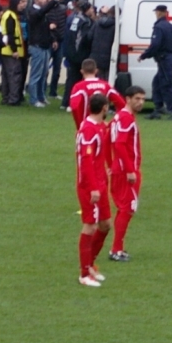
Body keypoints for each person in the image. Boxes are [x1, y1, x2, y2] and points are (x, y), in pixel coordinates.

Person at [75, 92, 112, 286]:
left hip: (100, 184)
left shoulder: (98, 127)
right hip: (90, 186)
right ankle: (84, 274)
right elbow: (86, 161)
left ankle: (90, 265)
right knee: (90, 226)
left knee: (105, 225)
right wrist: (92, 188)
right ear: (104, 108)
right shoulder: (88, 130)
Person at [109, 85, 146, 261]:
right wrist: (130, 170)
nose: (141, 102)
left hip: (120, 168)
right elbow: (119, 144)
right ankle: (116, 250)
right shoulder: (126, 118)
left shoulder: (119, 117)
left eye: (143, 99)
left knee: (123, 209)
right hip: (126, 171)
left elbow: (108, 139)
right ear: (128, 99)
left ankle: (117, 248)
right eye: (137, 99)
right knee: (127, 209)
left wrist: (110, 164)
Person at [138, 4, 172, 120]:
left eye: (156, 12)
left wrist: (144, 55)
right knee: (157, 82)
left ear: (159, 13)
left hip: (164, 59)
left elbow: (155, 45)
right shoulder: (171, 27)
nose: (156, 14)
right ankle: (158, 109)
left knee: (166, 85)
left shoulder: (159, 27)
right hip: (169, 58)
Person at [28, 0, 68, 107]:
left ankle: (41, 97)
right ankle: (34, 99)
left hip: (45, 46)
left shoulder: (42, 13)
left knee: (43, 74)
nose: (44, 0)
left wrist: (52, 39)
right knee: (36, 75)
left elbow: (45, 29)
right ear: (36, 1)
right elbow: (43, 11)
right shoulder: (33, 12)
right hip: (37, 47)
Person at [70, 58, 125, 128]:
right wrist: (112, 123)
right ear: (96, 71)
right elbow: (122, 104)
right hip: (101, 127)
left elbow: (74, 107)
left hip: (86, 126)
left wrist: (79, 125)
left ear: (82, 71)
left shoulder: (78, 87)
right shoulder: (105, 85)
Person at [61, 0, 95, 110]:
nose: (92, 10)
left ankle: (66, 102)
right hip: (79, 54)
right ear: (86, 9)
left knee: (71, 79)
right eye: (91, 8)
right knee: (77, 80)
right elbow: (85, 39)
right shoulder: (85, 21)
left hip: (71, 53)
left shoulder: (74, 18)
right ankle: (73, 103)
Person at [0, 0, 26, 105]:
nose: (21, 5)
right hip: (11, 51)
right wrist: (14, 50)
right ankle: (13, 99)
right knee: (14, 75)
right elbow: (10, 34)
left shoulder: (8, 14)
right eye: (20, 3)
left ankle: (6, 97)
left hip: (5, 50)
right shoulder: (11, 16)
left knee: (6, 76)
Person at [46, 0, 67, 99]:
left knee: (57, 68)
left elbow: (63, 26)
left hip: (61, 41)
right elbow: (46, 27)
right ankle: (42, 91)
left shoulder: (63, 9)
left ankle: (53, 92)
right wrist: (53, 39)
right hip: (48, 42)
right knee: (45, 68)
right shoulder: (46, 10)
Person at [89, 6, 117, 79]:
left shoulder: (97, 22)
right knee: (107, 79)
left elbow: (89, 36)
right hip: (109, 56)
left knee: (96, 78)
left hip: (95, 55)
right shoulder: (116, 25)